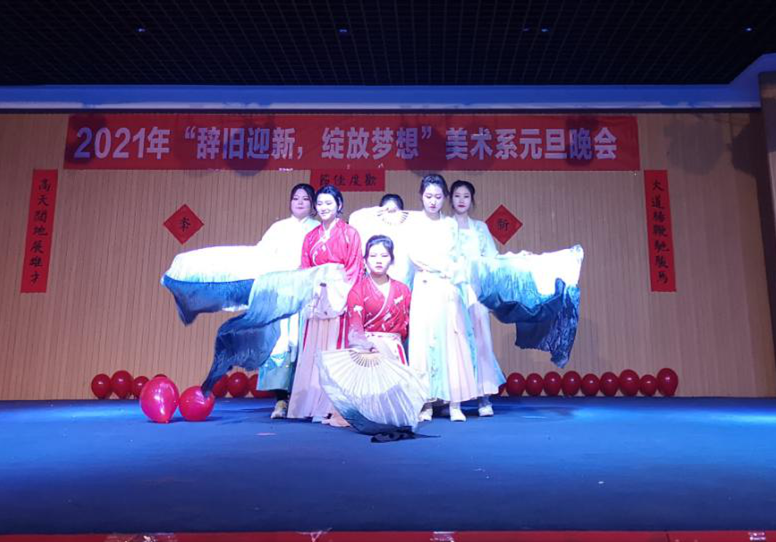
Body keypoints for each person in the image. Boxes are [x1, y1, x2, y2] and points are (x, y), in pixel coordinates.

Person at [405, 174, 479, 422]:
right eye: (428, 196)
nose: (433, 201)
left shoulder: (450, 224)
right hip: (425, 285)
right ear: (421, 196)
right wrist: (441, 265)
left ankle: (454, 402)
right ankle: (425, 403)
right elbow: (416, 256)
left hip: (447, 287)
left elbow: (456, 257)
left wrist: (451, 270)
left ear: (444, 198)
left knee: (451, 341)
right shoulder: (413, 223)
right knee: (423, 344)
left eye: (438, 197)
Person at [287, 185, 363, 423]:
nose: (323, 207)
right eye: (319, 203)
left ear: (339, 205)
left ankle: (332, 405)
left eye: (329, 203)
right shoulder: (311, 237)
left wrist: (342, 293)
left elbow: (354, 268)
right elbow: (305, 268)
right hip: (317, 295)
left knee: (334, 349)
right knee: (314, 350)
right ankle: (309, 403)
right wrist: (311, 290)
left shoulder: (350, 233)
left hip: (339, 295)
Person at [254, 183, 319, 419]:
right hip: (281, 295)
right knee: (281, 345)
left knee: (305, 344)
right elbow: (261, 257)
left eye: (305, 199)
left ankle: (304, 401)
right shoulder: (278, 229)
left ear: (313, 204)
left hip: (308, 296)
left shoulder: (318, 229)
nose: (300, 202)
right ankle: (281, 400)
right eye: (296, 198)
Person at [449, 180, 506, 417]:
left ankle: (484, 397)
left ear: (472, 200)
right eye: (457, 196)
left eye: (466, 196)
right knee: (455, 343)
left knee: (482, 340)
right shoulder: (445, 226)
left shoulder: (480, 228)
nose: (461, 200)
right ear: (450, 199)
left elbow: (492, 258)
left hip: (476, 290)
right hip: (452, 290)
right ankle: (455, 399)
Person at [346, 234, 412, 361]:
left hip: (395, 349)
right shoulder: (357, 291)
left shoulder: (403, 290)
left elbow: (409, 327)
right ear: (365, 260)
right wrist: (368, 345)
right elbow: (355, 329)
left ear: (392, 259)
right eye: (373, 256)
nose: (378, 260)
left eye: (384, 256)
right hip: (368, 352)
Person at [348, 193, 413, 286]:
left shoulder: (408, 230)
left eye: (394, 211)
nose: (390, 214)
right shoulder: (372, 229)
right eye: (387, 211)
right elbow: (353, 218)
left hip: (402, 283)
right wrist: (377, 210)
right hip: (375, 283)